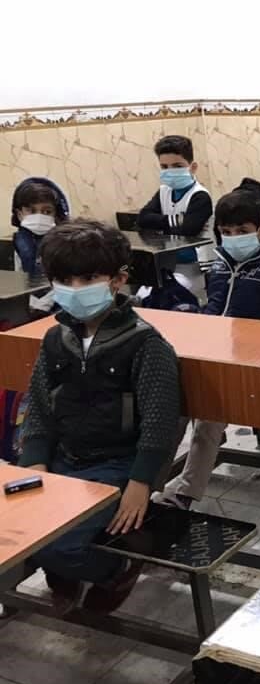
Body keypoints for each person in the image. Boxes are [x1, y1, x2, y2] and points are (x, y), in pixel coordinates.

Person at [18, 221, 180, 614]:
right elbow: (39, 404)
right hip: (64, 458)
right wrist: (35, 463)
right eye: (64, 280)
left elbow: (160, 420)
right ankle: (63, 567)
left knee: (60, 545)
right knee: (21, 530)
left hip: (115, 465)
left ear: (118, 280)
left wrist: (140, 483)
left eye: (88, 278)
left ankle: (117, 569)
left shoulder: (145, 343)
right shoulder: (56, 339)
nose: (75, 289)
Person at [154, 191, 260, 509]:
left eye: (242, 231)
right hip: (212, 356)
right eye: (227, 232)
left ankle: (185, 494)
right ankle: (147, 487)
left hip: (255, 366)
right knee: (168, 408)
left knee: (209, 415)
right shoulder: (219, 264)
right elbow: (213, 310)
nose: (234, 238)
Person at [136, 135, 215, 289]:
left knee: (170, 293)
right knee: (143, 295)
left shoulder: (200, 196)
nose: (170, 171)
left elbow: (188, 230)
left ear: (192, 167)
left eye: (177, 166)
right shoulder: (164, 191)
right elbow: (143, 219)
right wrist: (177, 220)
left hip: (195, 266)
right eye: (164, 167)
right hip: (168, 263)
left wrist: (160, 223)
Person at [10, 177, 71, 315]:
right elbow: (19, 276)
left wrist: (45, 303)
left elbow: (69, 280)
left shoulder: (66, 241)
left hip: (61, 304)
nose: (39, 216)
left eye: (47, 211)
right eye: (31, 211)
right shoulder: (20, 241)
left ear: (56, 214)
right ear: (19, 214)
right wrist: (30, 301)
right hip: (29, 304)